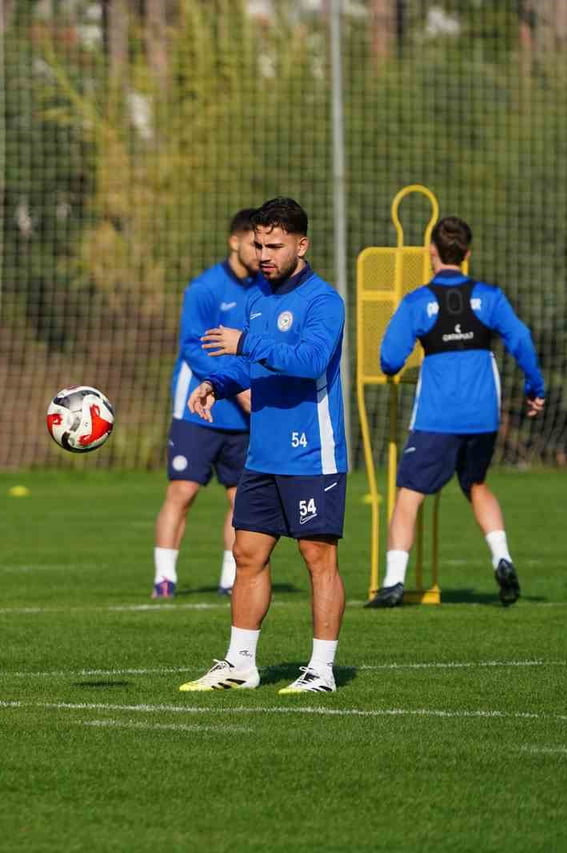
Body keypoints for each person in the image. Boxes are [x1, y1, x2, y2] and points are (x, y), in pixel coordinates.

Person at [179, 197, 348, 695]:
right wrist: (217, 383)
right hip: (264, 453)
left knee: (318, 558)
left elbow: (309, 360)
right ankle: (240, 664)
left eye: (274, 245)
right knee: (247, 552)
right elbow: (248, 365)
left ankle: (321, 671)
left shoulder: (324, 301)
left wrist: (244, 344)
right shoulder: (257, 299)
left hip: (311, 453)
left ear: (302, 244)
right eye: (259, 244)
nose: (264, 254)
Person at [367, 217, 545, 608]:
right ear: (467, 254)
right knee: (476, 485)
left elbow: (390, 359)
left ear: (431, 252)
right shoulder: (490, 297)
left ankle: (394, 582)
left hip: (437, 416)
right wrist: (536, 387)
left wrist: (395, 364)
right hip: (483, 416)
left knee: (409, 495)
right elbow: (521, 338)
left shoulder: (418, 301)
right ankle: (502, 558)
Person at [152, 209, 257, 599]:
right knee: (183, 491)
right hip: (198, 407)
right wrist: (230, 387)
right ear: (235, 241)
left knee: (240, 498)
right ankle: (164, 578)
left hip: (244, 414)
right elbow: (192, 348)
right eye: (255, 244)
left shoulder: (265, 291)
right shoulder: (205, 288)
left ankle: (232, 579)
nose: (261, 252)